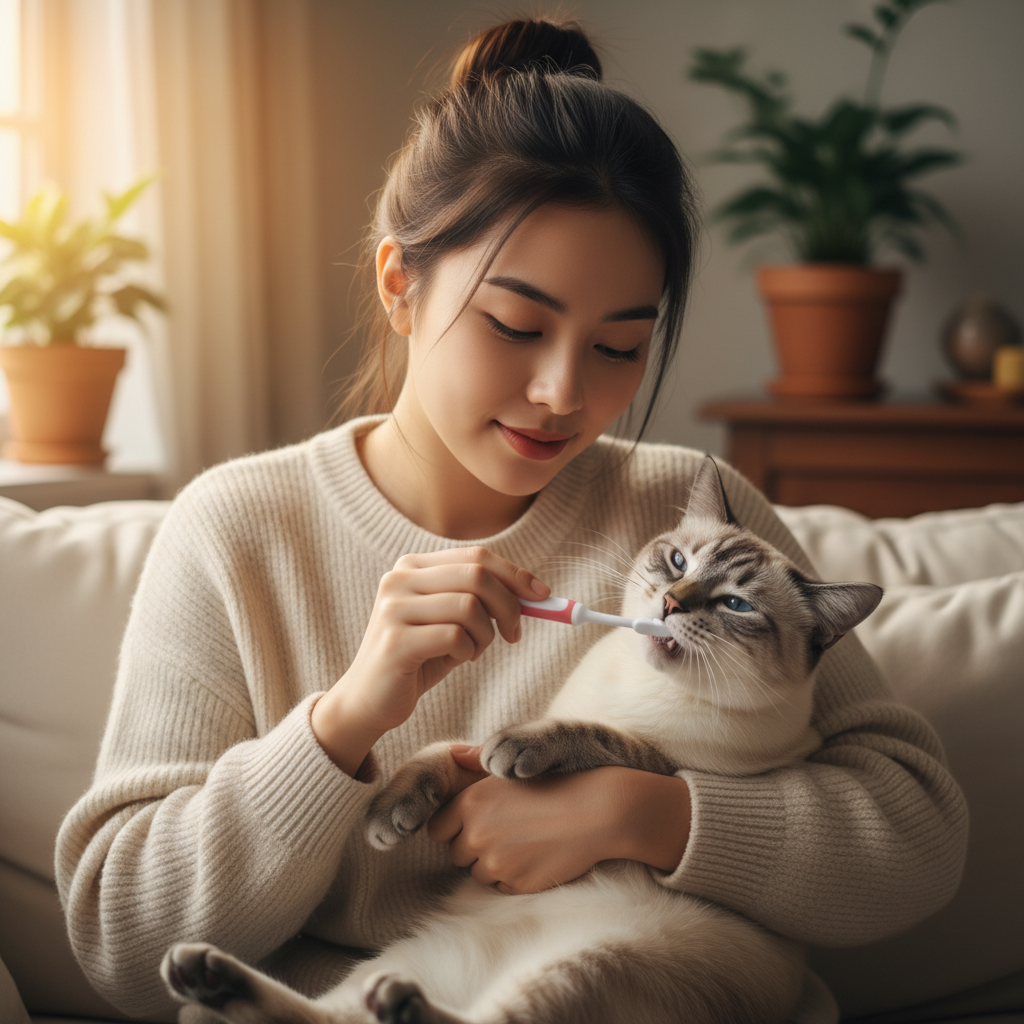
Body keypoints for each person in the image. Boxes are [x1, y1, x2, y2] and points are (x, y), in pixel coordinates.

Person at [55, 17, 967, 1023]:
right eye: (516, 326)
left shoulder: (686, 515)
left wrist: (651, 815)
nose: (560, 391)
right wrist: (344, 720)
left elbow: (915, 836)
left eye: (621, 346)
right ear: (401, 286)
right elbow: (121, 944)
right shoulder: (237, 530)